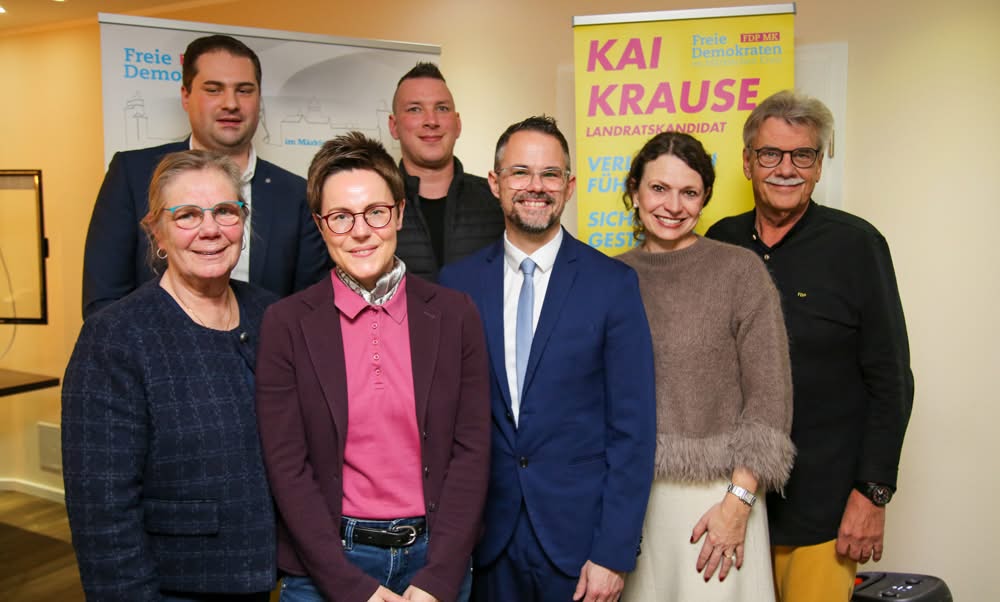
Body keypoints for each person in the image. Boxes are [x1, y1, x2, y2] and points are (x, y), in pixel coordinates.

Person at [255, 132, 490, 602]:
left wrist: (439, 576)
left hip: (435, 559)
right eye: (341, 217)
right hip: (327, 566)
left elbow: (472, 452)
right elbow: (287, 466)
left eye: (376, 212)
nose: (360, 231)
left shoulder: (454, 314)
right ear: (320, 225)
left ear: (399, 213)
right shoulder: (286, 324)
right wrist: (349, 587)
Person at [706, 90, 913, 602]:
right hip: (730, 500)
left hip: (825, 509)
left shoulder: (857, 245)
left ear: (819, 166)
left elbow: (891, 380)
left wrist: (872, 494)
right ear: (748, 162)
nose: (786, 168)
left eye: (803, 155)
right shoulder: (719, 241)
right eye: (770, 154)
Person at [439, 116, 656, 602]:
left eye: (550, 174)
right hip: (486, 542)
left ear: (569, 186)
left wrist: (613, 553)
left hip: (580, 546)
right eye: (520, 172)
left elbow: (634, 430)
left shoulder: (613, 285)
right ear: (495, 183)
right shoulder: (457, 286)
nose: (535, 186)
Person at [62, 150, 277, 601]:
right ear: (157, 232)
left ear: (243, 221)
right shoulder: (116, 337)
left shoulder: (271, 314)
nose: (210, 229)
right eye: (187, 215)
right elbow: (102, 511)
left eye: (225, 210)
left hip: (267, 576)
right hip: (174, 586)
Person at [614, 132, 794, 602]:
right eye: (659, 188)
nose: (673, 206)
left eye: (689, 192)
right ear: (634, 190)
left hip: (716, 499)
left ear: (705, 197)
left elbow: (770, 398)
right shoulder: (608, 275)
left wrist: (738, 504)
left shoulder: (740, 271)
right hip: (628, 501)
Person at [82, 34, 329, 319]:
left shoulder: (296, 194)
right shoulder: (133, 174)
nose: (231, 103)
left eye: (244, 90)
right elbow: (103, 304)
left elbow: (309, 314)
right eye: (213, 90)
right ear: (186, 96)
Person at [389, 62, 504, 281]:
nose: (431, 121)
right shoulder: (374, 208)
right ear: (394, 126)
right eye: (415, 109)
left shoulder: (498, 201)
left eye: (441, 108)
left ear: (457, 123)